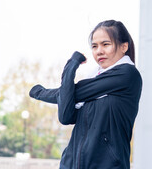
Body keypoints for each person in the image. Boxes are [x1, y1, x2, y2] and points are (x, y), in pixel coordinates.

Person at [29, 20, 142, 169]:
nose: (99, 51)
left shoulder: (127, 74)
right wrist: (71, 68)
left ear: (124, 46)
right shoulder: (93, 79)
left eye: (106, 44)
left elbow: (73, 93)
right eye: (94, 46)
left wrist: (39, 92)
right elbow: (65, 116)